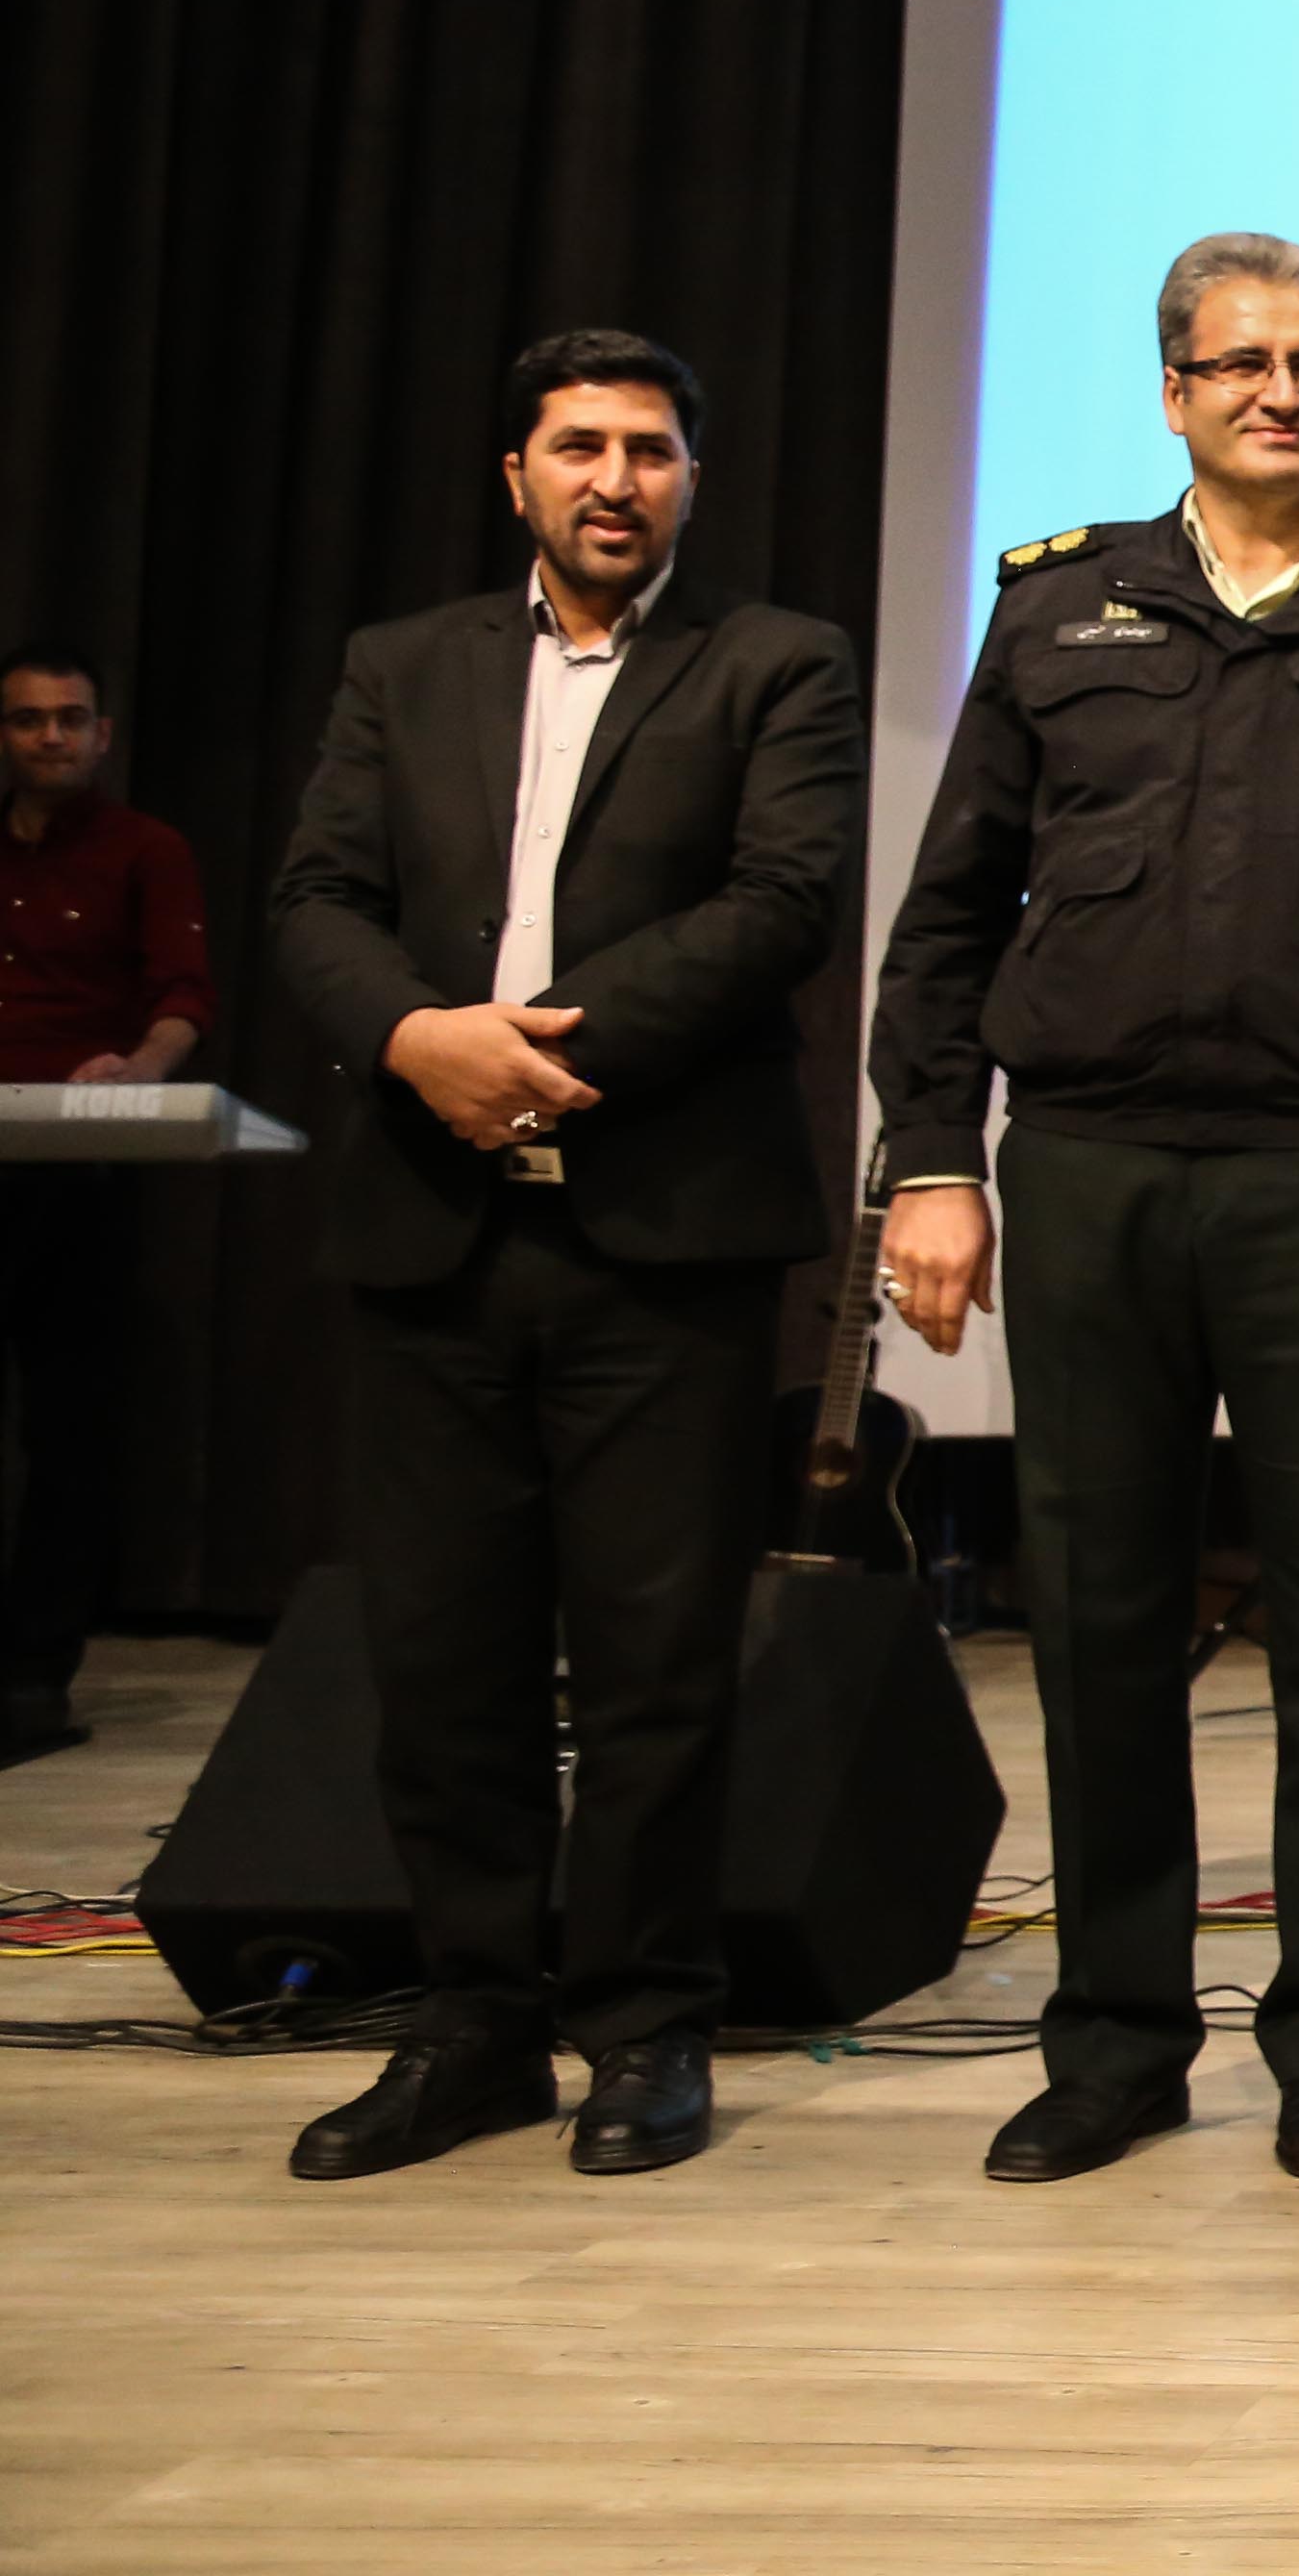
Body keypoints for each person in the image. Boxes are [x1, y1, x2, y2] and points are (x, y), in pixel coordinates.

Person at [870, 233, 1299, 2189]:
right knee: (1095, 1621)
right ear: (1173, 391)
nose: (1281, 390)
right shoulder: (1057, 605)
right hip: (1085, 1164)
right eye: (1243, 362)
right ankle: (1114, 2042)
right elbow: (951, 909)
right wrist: (931, 1158)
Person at [261, 330, 863, 2180]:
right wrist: (416, 1039)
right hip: (431, 1221)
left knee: (655, 1664)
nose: (618, 477)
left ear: (693, 480)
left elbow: (778, 903)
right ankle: (473, 2026)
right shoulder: (404, 663)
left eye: (653, 450)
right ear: (513, 473)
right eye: (582, 444)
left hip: (660, 1232)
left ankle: (646, 2024)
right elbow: (317, 896)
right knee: (443, 1660)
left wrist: (535, 1055)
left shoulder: (777, 660)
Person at [0, 641, 214, 1757]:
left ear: (102, 734)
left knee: (69, 1426)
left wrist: (139, 1069)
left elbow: (183, 993)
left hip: (76, 1161)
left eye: (69, 718)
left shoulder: (145, 849)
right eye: (28, 718)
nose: (50, 736)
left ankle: (34, 1676)